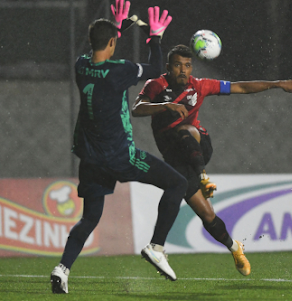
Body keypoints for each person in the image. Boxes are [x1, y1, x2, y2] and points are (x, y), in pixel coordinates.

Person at [50, 1, 187, 294]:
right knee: (177, 183)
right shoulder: (119, 70)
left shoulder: (80, 66)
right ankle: (156, 247)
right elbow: (153, 68)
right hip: (121, 157)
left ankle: (62, 269)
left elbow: (100, 52)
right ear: (112, 43)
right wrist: (156, 37)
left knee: (89, 218)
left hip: (90, 159)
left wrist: (117, 27)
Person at [132, 44, 292, 276]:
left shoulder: (200, 86)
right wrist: (165, 106)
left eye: (187, 66)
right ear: (169, 67)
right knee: (207, 215)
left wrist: (276, 84)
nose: (183, 70)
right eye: (178, 65)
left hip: (199, 145)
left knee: (186, 129)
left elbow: (239, 87)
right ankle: (234, 247)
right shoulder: (156, 85)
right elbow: (137, 109)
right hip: (176, 159)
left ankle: (203, 177)